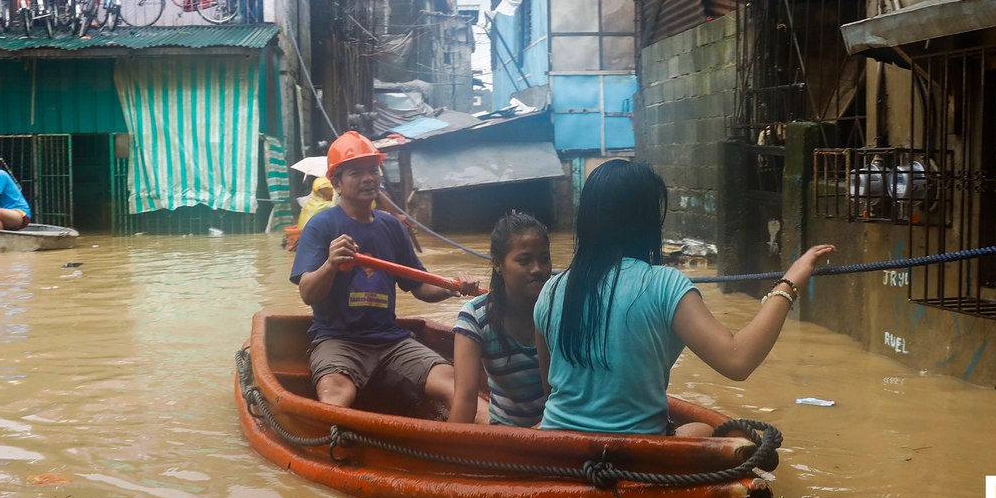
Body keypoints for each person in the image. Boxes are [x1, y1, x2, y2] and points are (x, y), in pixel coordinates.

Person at [533, 159, 835, 436]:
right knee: (706, 432)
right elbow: (737, 360)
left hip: (558, 445)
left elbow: (550, 389)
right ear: (647, 220)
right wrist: (790, 281)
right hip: (637, 454)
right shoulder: (664, 284)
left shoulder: (552, 290)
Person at [290, 130, 481, 412]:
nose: (368, 178)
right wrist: (330, 264)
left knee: (456, 385)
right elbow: (307, 293)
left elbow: (420, 286)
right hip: (338, 340)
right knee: (335, 394)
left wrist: (454, 286)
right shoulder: (321, 226)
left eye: (373, 170)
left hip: (391, 341)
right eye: (356, 172)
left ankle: (481, 444)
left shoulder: (391, 226)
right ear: (337, 183)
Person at [449, 212, 552, 426]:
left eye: (544, 259)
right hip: (503, 438)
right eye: (524, 261)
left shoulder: (558, 309)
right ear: (498, 264)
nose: (538, 269)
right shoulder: (475, 317)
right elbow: (465, 400)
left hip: (558, 428)